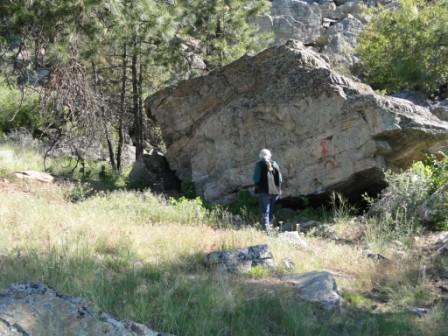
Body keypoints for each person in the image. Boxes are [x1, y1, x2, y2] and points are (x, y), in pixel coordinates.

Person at [253, 148, 282, 232]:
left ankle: (266, 229)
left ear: (260, 156)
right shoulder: (274, 163)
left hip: (264, 191)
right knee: (270, 209)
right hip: (275, 191)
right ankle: (269, 227)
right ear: (270, 156)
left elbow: (255, 178)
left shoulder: (259, 164)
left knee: (264, 209)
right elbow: (280, 179)